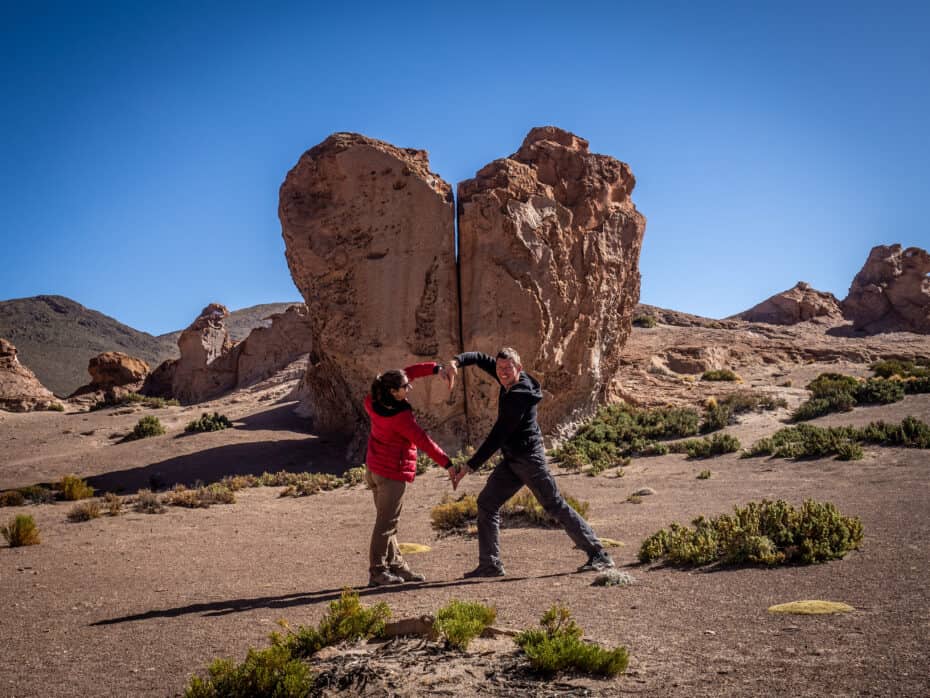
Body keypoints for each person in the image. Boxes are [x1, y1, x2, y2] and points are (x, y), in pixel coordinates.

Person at [446, 348, 615, 578]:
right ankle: (490, 564)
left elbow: (498, 435)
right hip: (512, 459)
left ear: (519, 369)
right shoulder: (505, 374)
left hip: (529, 460)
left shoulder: (519, 394)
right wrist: (455, 362)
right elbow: (477, 358)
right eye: (499, 368)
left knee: (554, 505)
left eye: (508, 369)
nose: (502, 373)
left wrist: (469, 466)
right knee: (486, 503)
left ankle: (598, 554)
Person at [364, 362, 456, 587]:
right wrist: (448, 464)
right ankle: (377, 571)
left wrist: (436, 369)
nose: (410, 388)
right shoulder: (400, 418)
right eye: (405, 387)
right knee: (386, 525)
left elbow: (408, 373)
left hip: (374, 469)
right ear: (394, 392)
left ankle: (396, 565)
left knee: (388, 522)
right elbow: (424, 441)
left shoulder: (372, 400)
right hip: (391, 475)